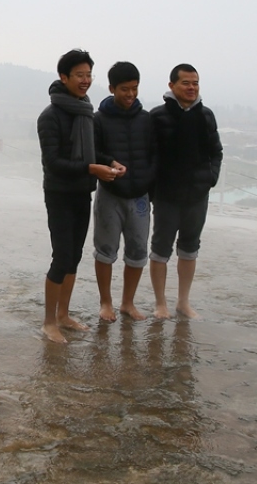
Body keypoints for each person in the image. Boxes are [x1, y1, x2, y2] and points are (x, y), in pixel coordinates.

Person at [37, 50, 125, 344]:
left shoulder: (84, 110)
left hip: (81, 193)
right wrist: (91, 168)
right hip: (59, 194)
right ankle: (49, 322)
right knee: (61, 257)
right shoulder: (51, 116)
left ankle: (64, 315)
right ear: (64, 77)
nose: (86, 80)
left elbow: (90, 153)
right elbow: (54, 162)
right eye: (79, 75)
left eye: (89, 75)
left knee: (74, 257)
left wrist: (109, 161)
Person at [148, 63, 222, 320]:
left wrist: (210, 179)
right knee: (160, 249)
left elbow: (216, 151)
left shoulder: (206, 115)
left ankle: (183, 302)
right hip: (167, 196)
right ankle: (160, 304)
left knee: (190, 248)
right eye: (186, 83)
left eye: (195, 83)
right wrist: (152, 189)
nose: (192, 88)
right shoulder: (157, 116)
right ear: (172, 86)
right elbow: (150, 156)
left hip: (197, 195)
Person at [92, 61, 158, 322]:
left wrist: (148, 182)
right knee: (105, 251)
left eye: (134, 88)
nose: (130, 95)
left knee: (138, 252)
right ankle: (106, 303)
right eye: (124, 89)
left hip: (140, 196)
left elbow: (155, 154)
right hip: (110, 194)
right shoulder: (98, 119)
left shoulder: (146, 119)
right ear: (111, 88)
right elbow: (93, 153)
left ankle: (127, 303)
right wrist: (109, 162)